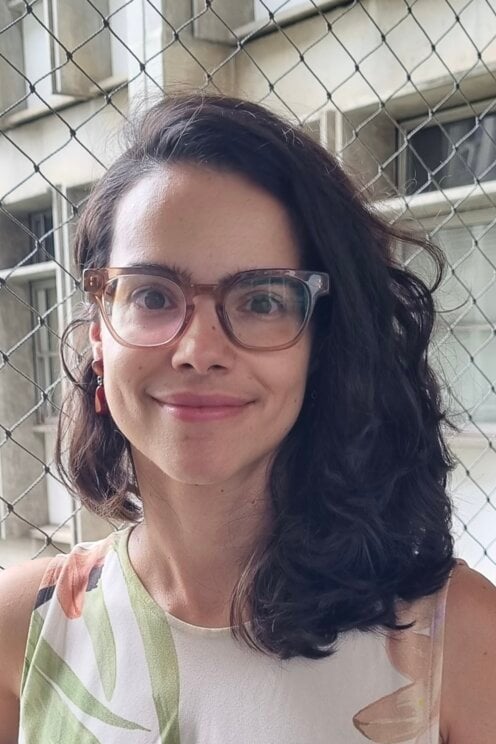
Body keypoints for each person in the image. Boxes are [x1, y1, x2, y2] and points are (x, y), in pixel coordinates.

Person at [0, 93, 495, 744]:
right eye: (153, 295)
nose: (199, 350)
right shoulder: (20, 631)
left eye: (262, 300)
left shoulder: (461, 641)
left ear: (321, 345)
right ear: (99, 334)